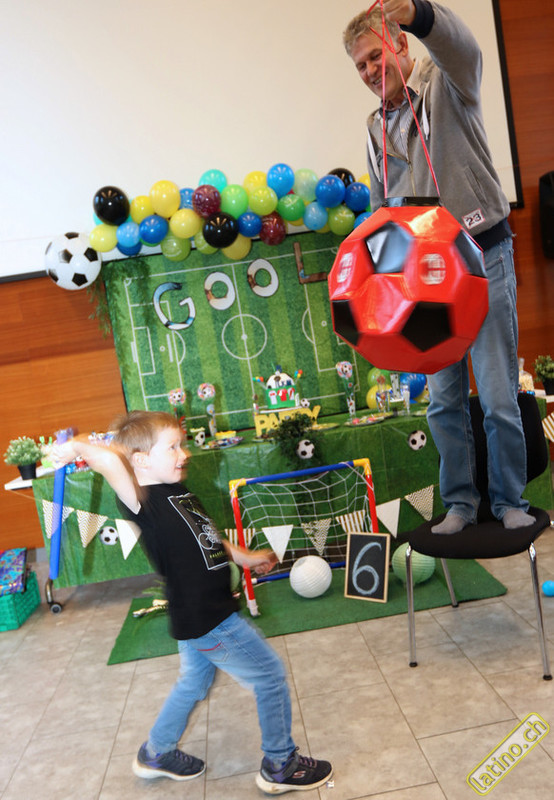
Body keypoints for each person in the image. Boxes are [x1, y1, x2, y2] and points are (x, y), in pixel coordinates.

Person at [52, 411, 332, 794]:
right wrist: (74, 446)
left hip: (198, 612)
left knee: (193, 683)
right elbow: (109, 461)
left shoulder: (178, 493)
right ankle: (281, 764)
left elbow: (209, 538)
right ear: (141, 460)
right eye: (172, 447)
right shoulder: (142, 500)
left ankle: (157, 752)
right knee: (269, 676)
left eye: (181, 445)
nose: (183, 454)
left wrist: (246, 558)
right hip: (208, 618)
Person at [343, 0, 535, 534]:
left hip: (481, 258)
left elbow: (464, 48)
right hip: (423, 282)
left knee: (497, 396)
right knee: (443, 402)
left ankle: (509, 501)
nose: (370, 70)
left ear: (401, 44)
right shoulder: (374, 127)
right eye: (360, 65)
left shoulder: (448, 84)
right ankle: (460, 505)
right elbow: (384, 212)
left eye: (376, 56)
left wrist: (420, 13)